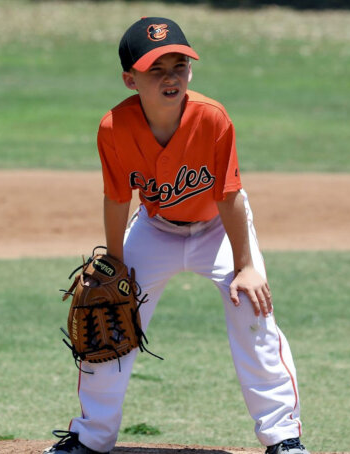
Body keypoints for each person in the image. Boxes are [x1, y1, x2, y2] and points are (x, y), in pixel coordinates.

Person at [44, 17, 308, 454]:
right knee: (110, 319)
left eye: (179, 65)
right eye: (156, 69)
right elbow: (116, 198)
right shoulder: (114, 127)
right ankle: (91, 438)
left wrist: (245, 266)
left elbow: (229, 197)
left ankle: (284, 438)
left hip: (220, 230)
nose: (171, 77)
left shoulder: (213, 118)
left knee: (255, 317)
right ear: (130, 79)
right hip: (155, 228)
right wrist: (115, 262)